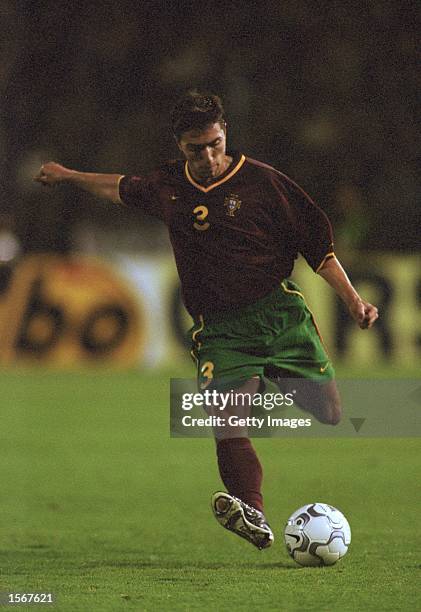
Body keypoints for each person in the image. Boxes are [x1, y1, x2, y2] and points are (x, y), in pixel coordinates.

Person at [34, 90, 378, 550]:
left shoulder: (264, 183)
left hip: (278, 316)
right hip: (220, 330)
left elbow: (317, 245)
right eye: (197, 148)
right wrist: (68, 175)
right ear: (180, 145)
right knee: (227, 422)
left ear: (225, 134)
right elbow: (117, 186)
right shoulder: (168, 187)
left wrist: (354, 301)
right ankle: (252, 512)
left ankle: (271, 371)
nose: (209, 156)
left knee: (331, 413)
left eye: (215, 143)